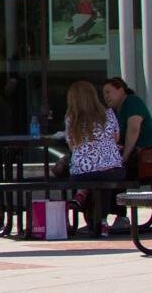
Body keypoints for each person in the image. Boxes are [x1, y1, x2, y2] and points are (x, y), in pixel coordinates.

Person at [59, 81, 124, 235]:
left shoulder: (71, 118)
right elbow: (115, 138)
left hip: (82, 171)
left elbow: (72, 146)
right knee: (104, 178)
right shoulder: (108, 113)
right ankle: (102, 221)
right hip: (112, 168)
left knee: (92, 176)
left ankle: (82, 195)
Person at [99, 77, 152, 174]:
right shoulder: (113, 112)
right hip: (132, 155)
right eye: (103, 94)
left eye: (108, 92)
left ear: (121, 90)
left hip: (145, 155)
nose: (105, 97)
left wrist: (123, 158)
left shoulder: (132, 101)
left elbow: (134, 129)